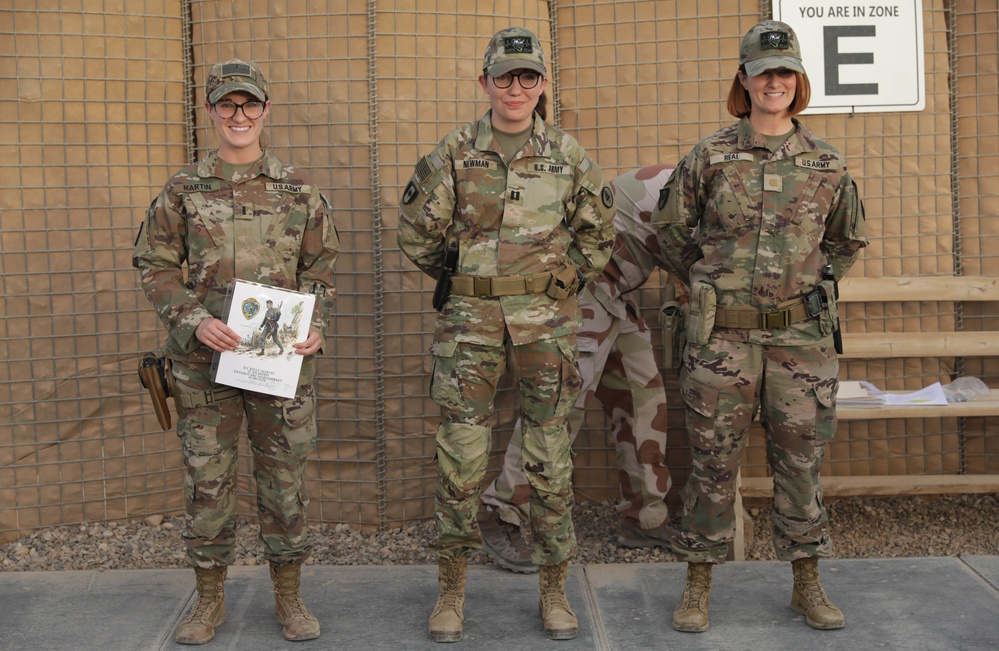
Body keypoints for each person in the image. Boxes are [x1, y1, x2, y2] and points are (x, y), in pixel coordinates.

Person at [397, 27, 615, 642]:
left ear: (542, 85)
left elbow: (600, 233)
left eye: (527, 78)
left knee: (550, 460)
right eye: (504, 77)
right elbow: (416, 231)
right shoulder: (455, 152)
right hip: (469, 329)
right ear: (485, 82)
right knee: (460, 462)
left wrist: (559, 281)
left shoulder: (567, 156)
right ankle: (451, 594)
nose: (515, 88)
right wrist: (464, 276)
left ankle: (553, 592)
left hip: (545, 328)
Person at [653, 21, 867, 633]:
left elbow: (846, 239)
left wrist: (809, 285)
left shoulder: (826, 163)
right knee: (712, 462)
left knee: (800, 463)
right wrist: (704, 279)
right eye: (762, 70)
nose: (773, 81)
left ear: (797, 82)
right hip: (723, 342)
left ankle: (807, 582)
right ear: (743, 80)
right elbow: (671, 230)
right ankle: (698, 583)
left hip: (801, 342)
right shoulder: (711, 156)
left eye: (784, 71)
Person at [132, 59, 339, 645]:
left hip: (279, 362)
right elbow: (154, 265)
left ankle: (290, 599)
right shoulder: (182, 190)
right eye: (227, 105)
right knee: (208, 481)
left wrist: (315, 323)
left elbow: (320, 269)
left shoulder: (298, 190)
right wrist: (194, 320)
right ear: (211, 113)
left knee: (284, 481)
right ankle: (207, 602)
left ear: (265, 110)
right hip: (203, 366)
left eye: (249, 105)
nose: (239, 116)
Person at [478, 164, 678, 574]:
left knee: (644, 398)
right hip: (583, 290)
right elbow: (705, 272)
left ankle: (646, 518)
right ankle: (502, 510)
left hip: (615, 294)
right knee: (559, 408)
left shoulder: (703, 185)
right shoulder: (689, 191)